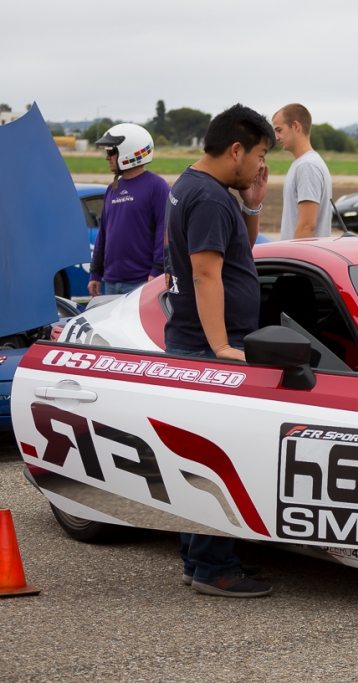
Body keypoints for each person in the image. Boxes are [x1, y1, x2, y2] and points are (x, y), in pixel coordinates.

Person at [164, 103, 274, 598]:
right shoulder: (207, 197)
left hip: (196, 340)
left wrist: (252, 202)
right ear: (236, 149)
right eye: (259, 155)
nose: (260, 165)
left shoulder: (200, 187)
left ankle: (196, 559)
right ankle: (213, 567)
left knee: (195, 452)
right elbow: (206, 272)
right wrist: (222, 346)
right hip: (204, 347)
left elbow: (239, 252)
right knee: (213, 456)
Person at [88, 123, 170, 296]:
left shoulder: (157, 186)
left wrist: (156, 272)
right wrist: (95, 273)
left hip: (142, 282)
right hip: (110, 281)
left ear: (129, 152)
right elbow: (104, 234)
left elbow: (164, 232)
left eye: (111, 152)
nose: (107, 158)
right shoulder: (112, 188)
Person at [271, 103, 333, 239]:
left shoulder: (307, 166)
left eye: (279, 130)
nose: (276, 137)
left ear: (295, 126)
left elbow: (307, 226)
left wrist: (291, 259)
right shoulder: (304, 163)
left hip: (301, 258)